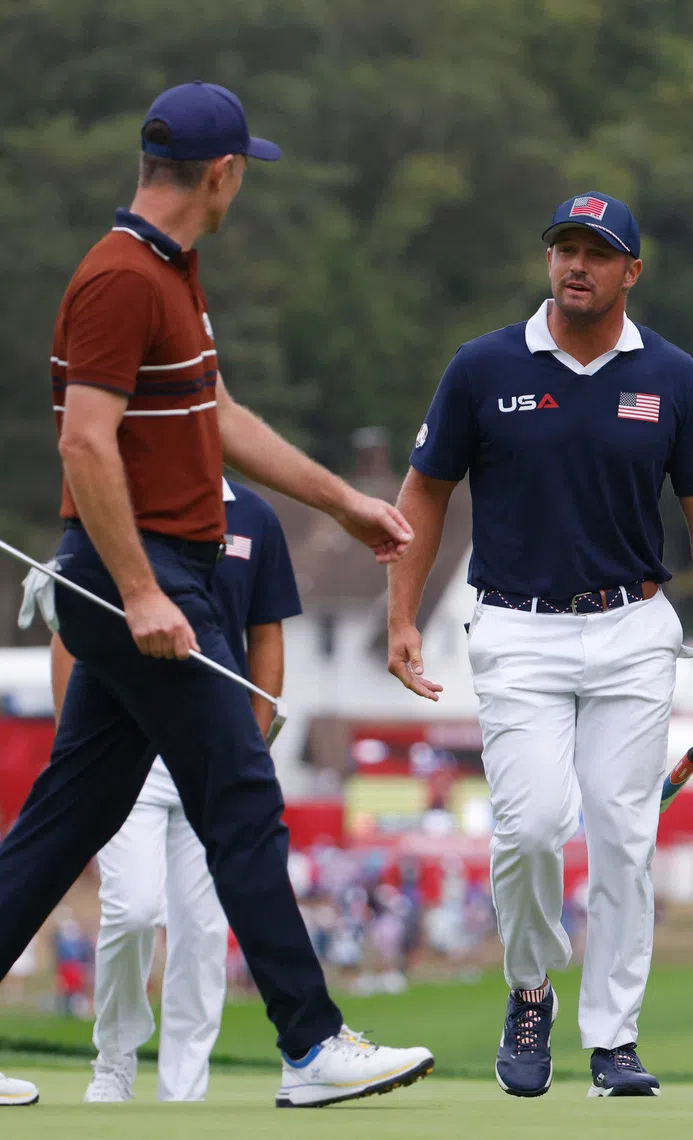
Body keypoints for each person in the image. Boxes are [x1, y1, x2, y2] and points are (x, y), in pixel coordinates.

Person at [0, 81, 432, 1109]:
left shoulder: (168, 272)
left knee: (72, 812)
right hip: (136, 576)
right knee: (239, 795)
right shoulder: (118, 280)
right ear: (222, 174)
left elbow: (218, 416)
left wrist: (344, 502)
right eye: (246, 172)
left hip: (152, 572)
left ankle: (311, 1041)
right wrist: (146, 593)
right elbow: (84, 441)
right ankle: (312, 1042)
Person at [387, 192, 693, 1098]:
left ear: (632, 270)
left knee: (626, 840)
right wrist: (400, 617)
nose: (575, 265)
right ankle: (531, 986)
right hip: (516, 628)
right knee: (534, 829)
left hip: (632, 629)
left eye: (596, 252)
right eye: (563, 249)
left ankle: (614, 1040)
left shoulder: (672, 377)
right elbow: (423, 494)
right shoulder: (482, 367)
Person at [39, 479, 301, 1102]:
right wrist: (74, 749)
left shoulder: (257, 519)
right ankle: (116, 1060)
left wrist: (251, 748)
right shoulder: (119, 503)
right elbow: (68, 636)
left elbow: (265, 637)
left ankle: (185, 1086)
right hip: (125, 751)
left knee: (203, 931)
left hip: (214, 755)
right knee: (130, 910)